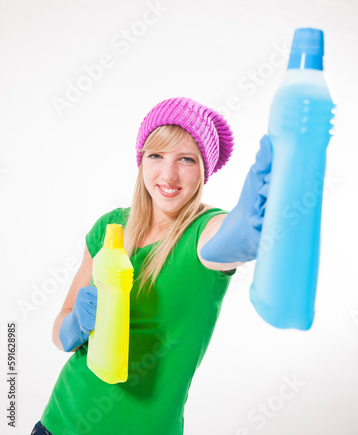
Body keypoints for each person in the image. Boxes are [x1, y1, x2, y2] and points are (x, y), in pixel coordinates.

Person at [31, 97, 271, 435]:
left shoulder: (204, 232)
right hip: (60, 421)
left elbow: (238, 236)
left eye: (186, 159)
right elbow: (60, 331)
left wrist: (253, 221)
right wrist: (73, 326)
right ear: (142, 160)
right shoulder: (110, 228)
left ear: (204, 170)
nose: (168, 174)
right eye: (156, 155)